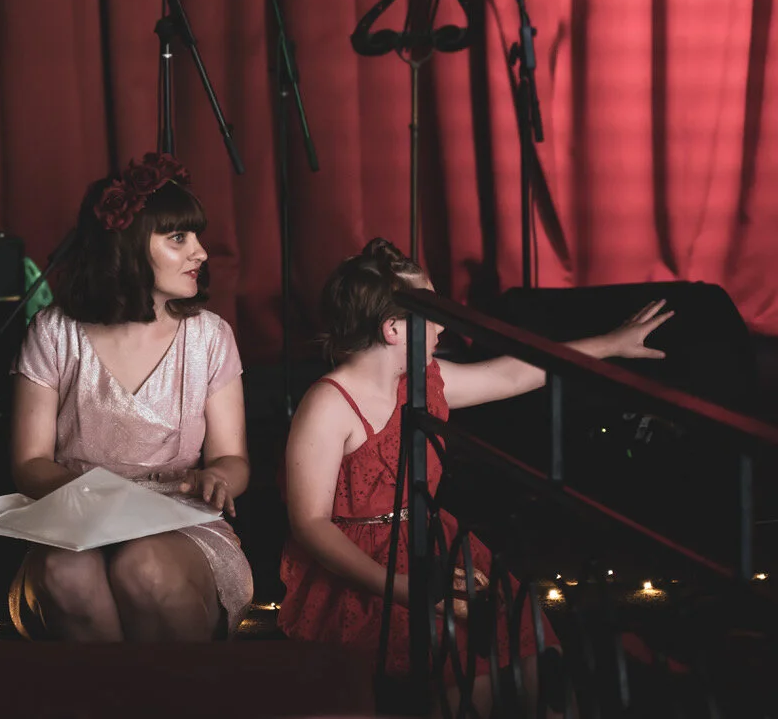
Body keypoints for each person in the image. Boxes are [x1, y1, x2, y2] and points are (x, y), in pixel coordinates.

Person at [279, 238, 672, 713]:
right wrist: (405, 589)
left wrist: (609, 345)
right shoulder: (328, 404)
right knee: (467, 673)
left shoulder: (423, 381)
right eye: (432, 311)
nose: (444, 323)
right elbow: (311, 524)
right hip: (359, 569)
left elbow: (510, 375)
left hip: (432, 540)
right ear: (394, 329)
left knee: (531, 649)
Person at [8, 152, 252, 641]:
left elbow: (233, 459)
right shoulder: (55, 332)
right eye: (179, 238)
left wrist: (219, 476)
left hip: (179, 522)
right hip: (77, 513)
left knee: (144, 567)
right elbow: (29, 464)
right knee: (66, 573)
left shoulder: (209, 336)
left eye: (196, 237)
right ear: (127, 245)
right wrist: (103, 502)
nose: (201, 252)